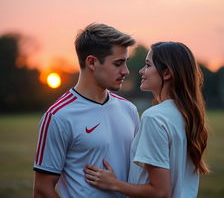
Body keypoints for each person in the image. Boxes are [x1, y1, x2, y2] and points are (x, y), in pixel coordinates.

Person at [85, 41, 210, 198]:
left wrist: (113, 183)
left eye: (148, 65)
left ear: (166, 73)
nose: (141, 71)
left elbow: (160, 192)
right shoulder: (186, 114)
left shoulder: (155, 117)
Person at [33, 23, 140, 198]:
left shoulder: (129, 110)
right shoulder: (58, 116)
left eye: (125, 63)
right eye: (118, 63)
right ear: (92, 62)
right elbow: (42, 190)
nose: (125, 71)